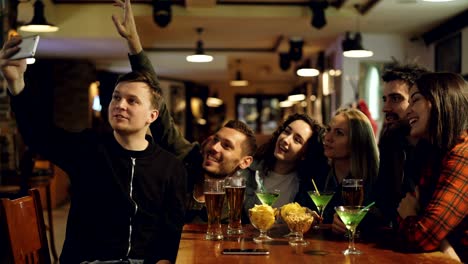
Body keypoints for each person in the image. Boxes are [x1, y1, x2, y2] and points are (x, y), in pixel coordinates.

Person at [0, 1, 187, 263]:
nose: (120, 105)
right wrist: (16, 81)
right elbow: (38, 134)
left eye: (132, 101)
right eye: (116, 98)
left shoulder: (170, 167)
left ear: (152, 116)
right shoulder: (87, 148)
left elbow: (172, 229)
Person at [397, 72, 467, 262]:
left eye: (415, 100)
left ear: (439, 101)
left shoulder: (463, 154)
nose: (407, 111)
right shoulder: (434, 153)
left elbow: (422, 236)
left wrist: (409, 216)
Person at [375, 62, 429, 229]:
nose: (385, 108)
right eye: (385, 99)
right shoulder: (390, 140)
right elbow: (382, 201)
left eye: (395, 99)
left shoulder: (437, 147)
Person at [242, 113, 329, 215]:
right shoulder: (250, 169)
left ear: (305, 153)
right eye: (287, 132)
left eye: (297, 140)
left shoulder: (305, 186)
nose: (286, 140)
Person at [321, 108, 379, 234]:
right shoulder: (321, 173)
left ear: (357, 141)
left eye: (339, 133)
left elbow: (380, 220)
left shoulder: (376, 180)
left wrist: (358, 225)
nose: (328, 137)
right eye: (328, 130)